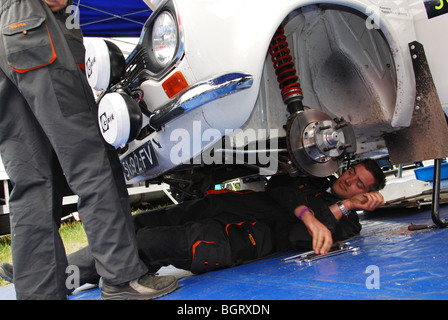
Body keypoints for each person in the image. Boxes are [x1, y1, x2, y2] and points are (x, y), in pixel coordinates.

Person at [0, 0, 177, 299]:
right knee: (91, 159)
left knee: (30, 181)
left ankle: (39, 294)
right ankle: (121, 277)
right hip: (33, 26)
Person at [1, 159, 386, 291]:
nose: (349, 181)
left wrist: (345, 208)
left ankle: (48, 281)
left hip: (226, 239)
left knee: (147, 243)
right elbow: (281, 187)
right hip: (214, 211)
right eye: (351, 174)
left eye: (358, 186)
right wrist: (309, 209)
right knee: (133, 225)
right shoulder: (311, 179)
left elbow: (300, 237)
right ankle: (43, 270)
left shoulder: (346, 225)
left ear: (366, 196)